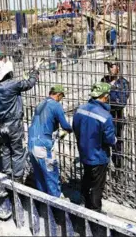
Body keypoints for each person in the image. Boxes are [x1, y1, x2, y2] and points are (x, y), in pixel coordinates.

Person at [0, 56, 43, 182]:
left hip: (3, 124)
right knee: (17, 151)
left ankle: (7, 173)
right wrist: (35, 69)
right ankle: (18, 178)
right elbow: (29, 83)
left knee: (6, 149)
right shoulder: (12, 85)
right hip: (14, 124)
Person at [73, 82, 117, 213]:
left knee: (86, 179)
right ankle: (95, 212)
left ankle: (84, 203)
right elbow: (110, 139)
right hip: (98, 156)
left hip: (84, 153)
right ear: (105, 96)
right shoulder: (105, 116)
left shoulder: (79, 109)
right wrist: (115, 140)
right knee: (97, 186)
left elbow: (75, 128)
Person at [28, 85, 72, 197]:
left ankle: (42, 204)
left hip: (31, 144)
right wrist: (71, 129)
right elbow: (65, 125)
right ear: (58, 95)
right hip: (43, 147)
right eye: (61, 97)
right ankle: (56, 207)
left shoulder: (41, 104)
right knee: (51, 175)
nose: (61, 99)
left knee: (40, 177)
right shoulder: (56, 106)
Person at [101, 61, 130, 179]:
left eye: (112, 66)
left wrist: (108, 97)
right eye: (108, 66)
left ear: (118, 67)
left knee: (117, 145)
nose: (109, 68)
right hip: (104, 119)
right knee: (104, 144)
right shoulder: (103, 80)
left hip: (116, 118)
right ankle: (105, 170)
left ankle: (118, 172)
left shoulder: (123, 83)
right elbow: (97, 97)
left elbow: (121, 102)